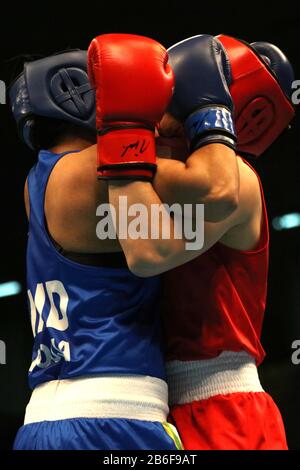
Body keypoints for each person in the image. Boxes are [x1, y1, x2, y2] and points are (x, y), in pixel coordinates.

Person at [99, 34, 295, 449]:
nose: (163, 99)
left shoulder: (236, 180)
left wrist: (120, 131)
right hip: (152, 408)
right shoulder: (169, 171)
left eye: (177, 87)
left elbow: (147, 249)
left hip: (223, 408)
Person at [9, 45, 184, 450]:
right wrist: (205, 121)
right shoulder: (95, 170)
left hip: (39, 421)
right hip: (117, 418)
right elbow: (214, 188)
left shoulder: (34, 183)